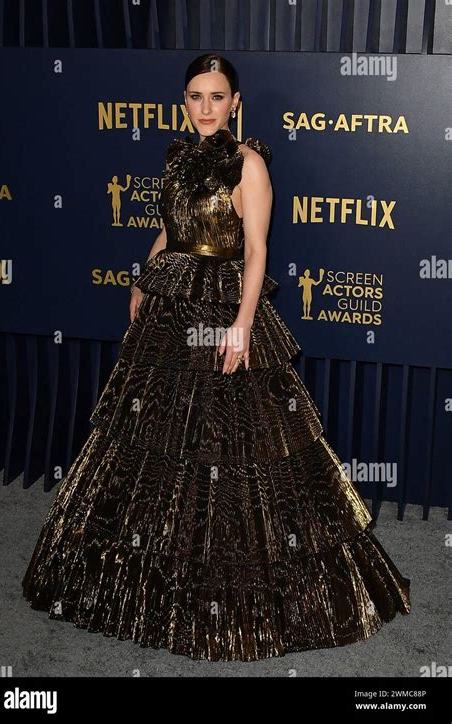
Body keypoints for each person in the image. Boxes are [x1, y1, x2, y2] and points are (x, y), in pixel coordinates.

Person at [22, 53, 411, 662]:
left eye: (217, 96)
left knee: (230, 440)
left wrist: (242, 325)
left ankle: (229, 576)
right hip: (170, 306)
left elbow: (256, 251)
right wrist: (143, 278)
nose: (205, 107)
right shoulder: (176, 157)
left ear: (235, 102)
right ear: (185, 103)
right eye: (195, 97)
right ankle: (156, 575)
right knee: (155, 438)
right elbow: (172, 230)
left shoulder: (248, 165)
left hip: (222, 310)